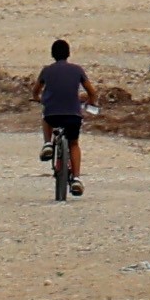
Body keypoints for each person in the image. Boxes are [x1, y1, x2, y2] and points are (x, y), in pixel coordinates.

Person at [36, 37, 92, 199]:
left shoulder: (46, 70)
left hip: (53, 115)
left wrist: (37, 98)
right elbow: (92, 92)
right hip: (73, 115)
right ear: (68, 53)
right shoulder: (77, 70)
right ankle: (76, 178)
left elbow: (36, 90)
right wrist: (91, 102)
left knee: (46, 116)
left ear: (52, 54)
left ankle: (47, 144)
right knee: (73, 143)